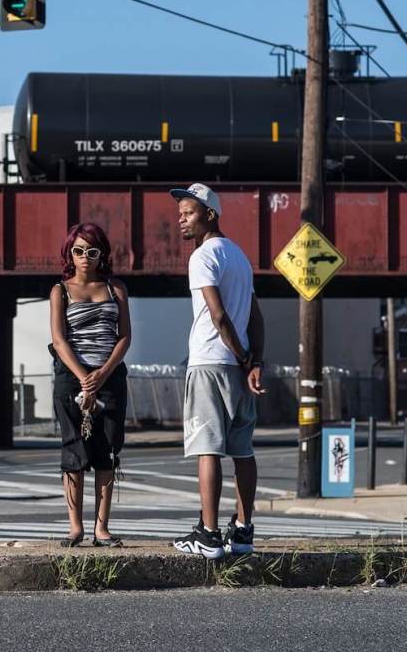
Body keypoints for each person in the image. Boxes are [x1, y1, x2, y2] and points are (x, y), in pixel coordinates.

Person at [168, 183, 265, 559]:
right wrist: (255, 362)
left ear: (210, 214)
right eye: (180, 215)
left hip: (210, 362)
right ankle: (243, 531)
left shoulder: (203, 256)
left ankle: (208, 536)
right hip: (238, 371)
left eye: (188, 213)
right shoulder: (239, 257)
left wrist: (242, 357)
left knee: (207, 448)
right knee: (243, 451)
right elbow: (255, 316)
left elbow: (218, 315)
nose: (181, 220)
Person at [49, 222, 132, 547]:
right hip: (72, 377)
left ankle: (101, 528)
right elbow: (59, 339)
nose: (85, 257)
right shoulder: (60, 291)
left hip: (109, 376)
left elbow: (124, 336)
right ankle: (75, 527)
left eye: (92, 251)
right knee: (74, 449)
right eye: (79, 251)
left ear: (102, 255)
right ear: (70, 253)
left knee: (107, 448)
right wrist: (84, 376)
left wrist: (103, 372)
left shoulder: (116, 289)